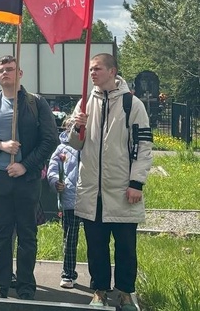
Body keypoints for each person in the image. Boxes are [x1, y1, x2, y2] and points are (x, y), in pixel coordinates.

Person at [0, 55, 58, 300]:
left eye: (9, 69)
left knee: (27, 233)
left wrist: (25, 166)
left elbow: (50, 139)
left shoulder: (34, 103)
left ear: (20, 73)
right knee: (1, 233)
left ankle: (27, 285)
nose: (5, 73)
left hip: (26, 178)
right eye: (1, 70)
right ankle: (0, 283)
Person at [69, 53, 152, 311]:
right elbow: (75, 145)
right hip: (92, 190)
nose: (92, 73)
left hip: (121, 189)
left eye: (98, 68)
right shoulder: (85, 103)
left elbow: (143, 146)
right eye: (91, 69)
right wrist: (76, 128)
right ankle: (100, 291)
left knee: (126, 247)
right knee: (96, 246)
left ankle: (126, 293)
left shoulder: (132, 104)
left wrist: (136, 182)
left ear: (112, 71)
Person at [47, 116, 81, 289]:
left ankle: (98, 276)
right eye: (69, 128)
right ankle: (68, 273)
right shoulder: (62, 149)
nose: (72, 132)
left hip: (90, 198)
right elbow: (52, 169)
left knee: (96, 239)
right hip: (70, 198)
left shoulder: (90, 147)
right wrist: (55, 182)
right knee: (70, 237)